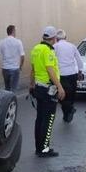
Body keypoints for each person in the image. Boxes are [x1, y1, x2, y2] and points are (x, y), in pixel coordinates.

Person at [28, 27, 65, 157]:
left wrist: (31, 85)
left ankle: (39, 148)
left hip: (39, 87)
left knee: (40, 118)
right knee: (49, 120)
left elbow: (32, 70)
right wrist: (60, 87)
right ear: (53, 38)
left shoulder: (36, 49)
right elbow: (50, 70)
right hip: (49, 89)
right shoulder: (48, 50)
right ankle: (45, 149)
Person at [54, 29, 84, 123]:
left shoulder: (54, 47)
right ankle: (68, 112)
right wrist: (80, 71)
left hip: (61, 75)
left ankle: (68, 111)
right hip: (72, 74)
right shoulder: (72, 46)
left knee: (61, 96)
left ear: (56, 38)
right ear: (66, 37)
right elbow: (79, 60)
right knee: (70, 95)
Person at [0, 25, 25, 92]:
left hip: (5, 69)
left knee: (7, 88)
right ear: (13, 31)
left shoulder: (2, 42)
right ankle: (12, 102)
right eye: (15, 31)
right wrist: (21, 66)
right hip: (15, 68)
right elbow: (22, 56)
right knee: (13, 89)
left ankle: (7, 101)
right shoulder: (18, 42)